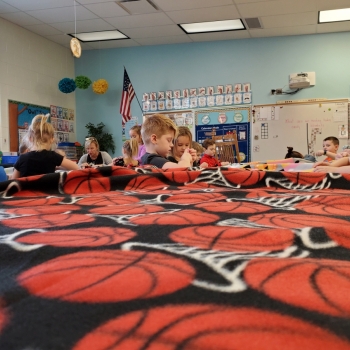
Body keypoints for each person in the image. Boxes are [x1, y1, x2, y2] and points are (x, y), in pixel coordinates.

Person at [12, 114, 79, 179]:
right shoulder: (53, 156)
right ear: (51, 139)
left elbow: (13, 182)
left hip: (28, 190)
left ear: (29, 138)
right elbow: (77, 168)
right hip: (48, 190)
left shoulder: (22, 158)